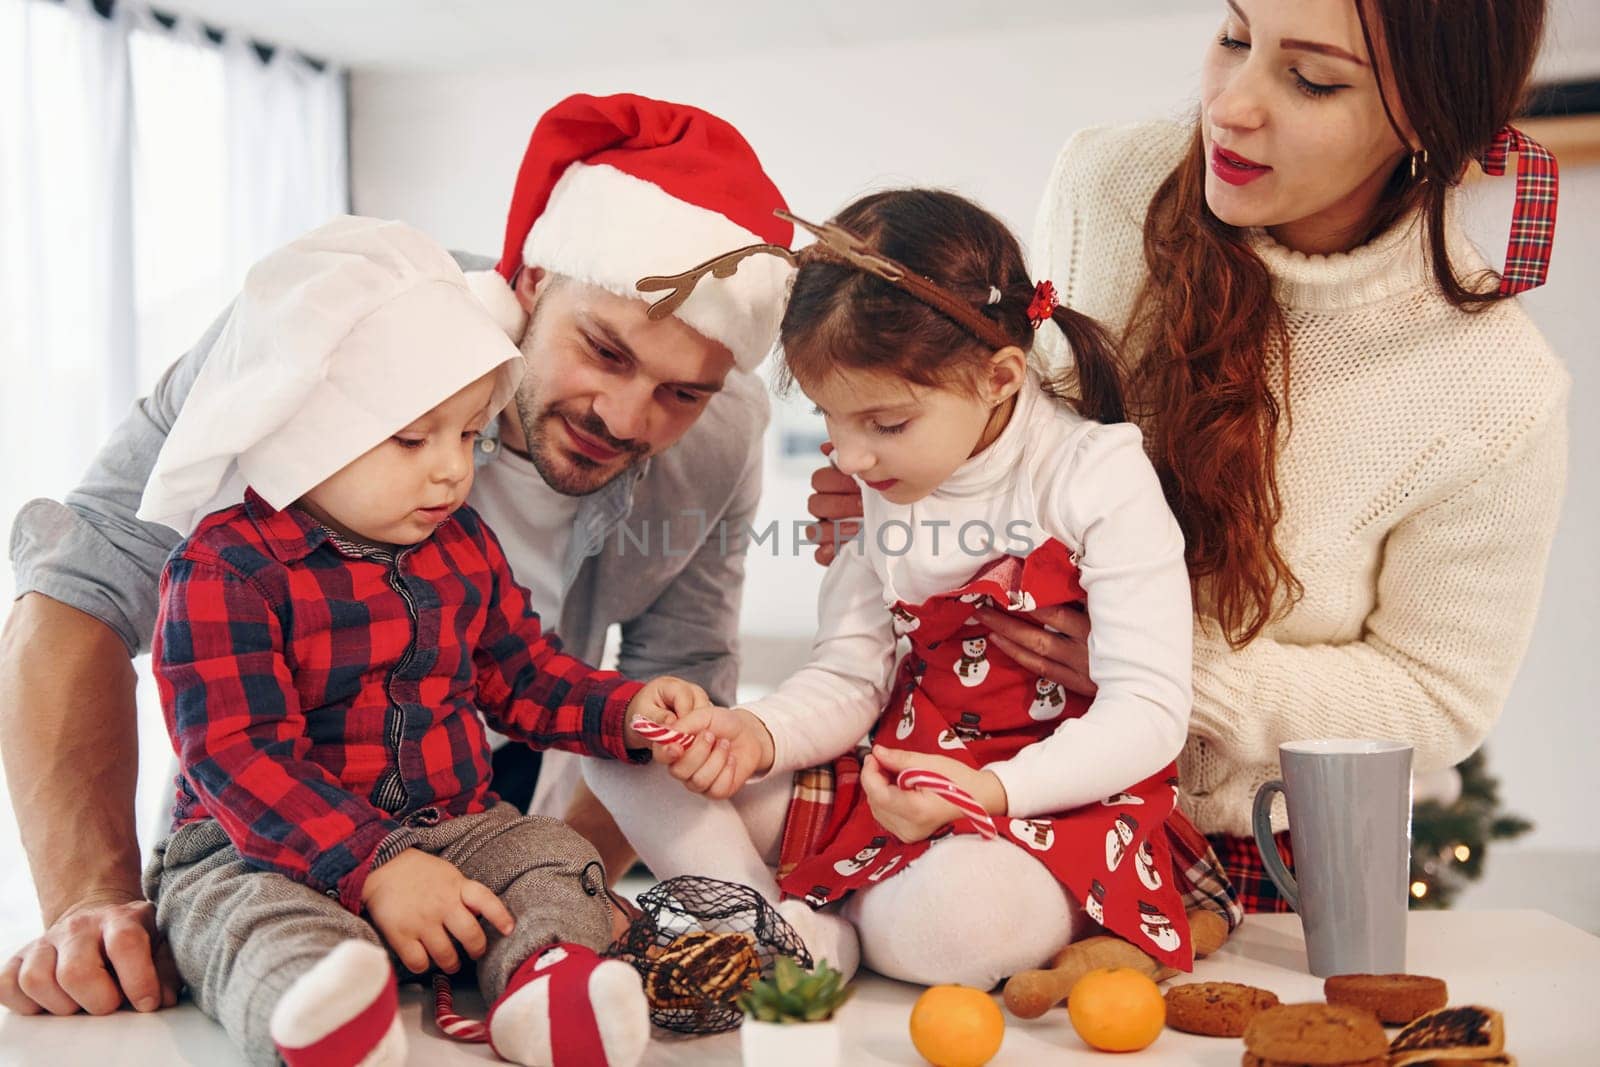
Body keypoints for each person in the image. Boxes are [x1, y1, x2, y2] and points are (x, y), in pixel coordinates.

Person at [0, 92, 792, 1016]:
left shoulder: (718, 436)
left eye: (682, 393)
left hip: (478, 803)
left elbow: (630, 680)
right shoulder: (331, 332)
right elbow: (81, 586)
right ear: (531, 280)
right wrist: (92, 898)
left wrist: (549, 906)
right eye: (604, 351)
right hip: (279, 814)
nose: (626, 419)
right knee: (274, 935)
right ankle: (320, 1010)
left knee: (553, 877)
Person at [805, 0, 1568, 911]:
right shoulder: (1106, 181)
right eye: (1236, 38)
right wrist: (914, 487)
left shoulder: (1494, 387)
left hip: (1257, 853)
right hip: (1000, 771)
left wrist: (1163, 669)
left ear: (1430, 117)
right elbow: (1028, 436)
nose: (1231, 107)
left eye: (1313, 79)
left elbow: (1438, 699)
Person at [588, 191, 1243, 990]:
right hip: (892, 777)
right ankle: (775, 926)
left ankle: (812, 917)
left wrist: (991, 791)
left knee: (958, 924)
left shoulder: (1095, 476)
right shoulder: (885, 479)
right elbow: (850, 676)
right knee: (620, 747)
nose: (854, 460)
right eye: (834, 421)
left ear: (1000, 376)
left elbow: (1148, 712)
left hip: (1046, 803)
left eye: (885, 423)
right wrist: (752, 733)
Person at [140, 216, 707, 1067]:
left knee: (551, 852)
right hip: (262, 846)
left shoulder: (461, 544)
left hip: (449, 827)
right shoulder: (225, 571)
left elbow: (524, 676)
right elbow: (239, 757)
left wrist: (625, 710)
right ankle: (323, 1013)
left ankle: (549, 989)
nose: (451, 469)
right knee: (243, 918)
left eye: (469, 435)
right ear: (306, 423)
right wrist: (373, 865)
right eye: (413, 438)